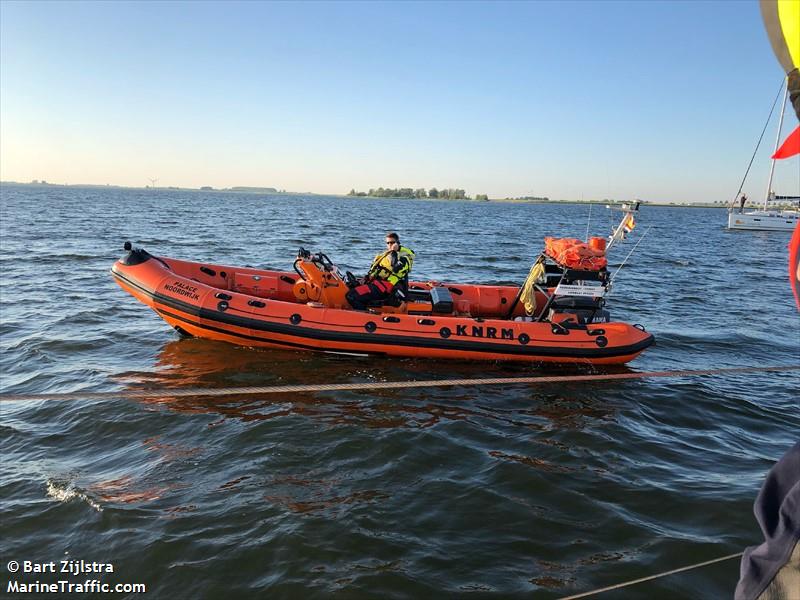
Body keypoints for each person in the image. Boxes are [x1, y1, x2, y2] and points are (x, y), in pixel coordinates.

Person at [345, 232, 415, 310]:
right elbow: (375, 271)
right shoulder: (384, 255)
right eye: (388, 243)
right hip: (377, 284)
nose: (390, 245)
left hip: (385, 288)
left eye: (392, 242)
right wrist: (365, 279)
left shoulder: (404, 257)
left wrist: (394, 251)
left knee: (351, 296)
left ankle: (364, 315)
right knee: (351, 287)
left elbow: (395, 268)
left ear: (397, 243)